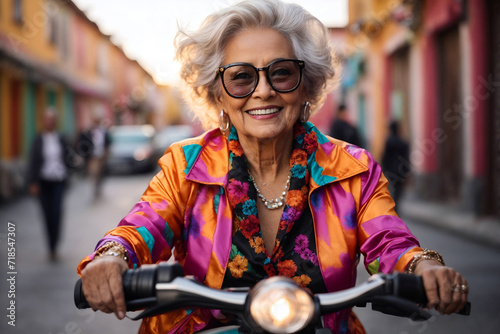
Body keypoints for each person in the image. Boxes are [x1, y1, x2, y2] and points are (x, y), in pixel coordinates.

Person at [78, 1, 468, 333]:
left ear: (305, 85)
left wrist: (422, 266)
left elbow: (390, 241)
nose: (263, 90)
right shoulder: (186, 166)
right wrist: (113, 256)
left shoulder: (353, 169)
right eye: (242, 78)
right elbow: (144, 225)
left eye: (280, 72)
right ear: (219, 95)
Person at [27, 108, 74, 261]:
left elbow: (68, 157)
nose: (49, 122)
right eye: (46, 119)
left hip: (58, 181)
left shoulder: (61, 138)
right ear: (43, 121)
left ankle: (55, 244)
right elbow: (33, 162)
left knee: (57, 213)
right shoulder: (38, 140)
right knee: (47, 215)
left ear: (55, 121)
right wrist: (32, 182)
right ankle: (50, 246)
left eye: (52, 119)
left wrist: (70, 171)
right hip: (43, 182)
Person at [76, 109, 111, 200]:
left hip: (101, 156)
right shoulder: (88, 130)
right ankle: (94, 189)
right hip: (92, 157)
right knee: (93, 174)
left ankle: (98, 188)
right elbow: (82, 142)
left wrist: (106, 152)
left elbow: (108, 142)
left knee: (100, 174)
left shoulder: (103, 130)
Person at [382, 121, 411, 213]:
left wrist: (384, 170)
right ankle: (396, 210)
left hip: (390, 172)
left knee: (391, 192)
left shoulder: (389, 142)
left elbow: (385, 157)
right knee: (398, 193)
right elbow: (406, 158)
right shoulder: (403, 142)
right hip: (400, 172)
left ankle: (392, 210)